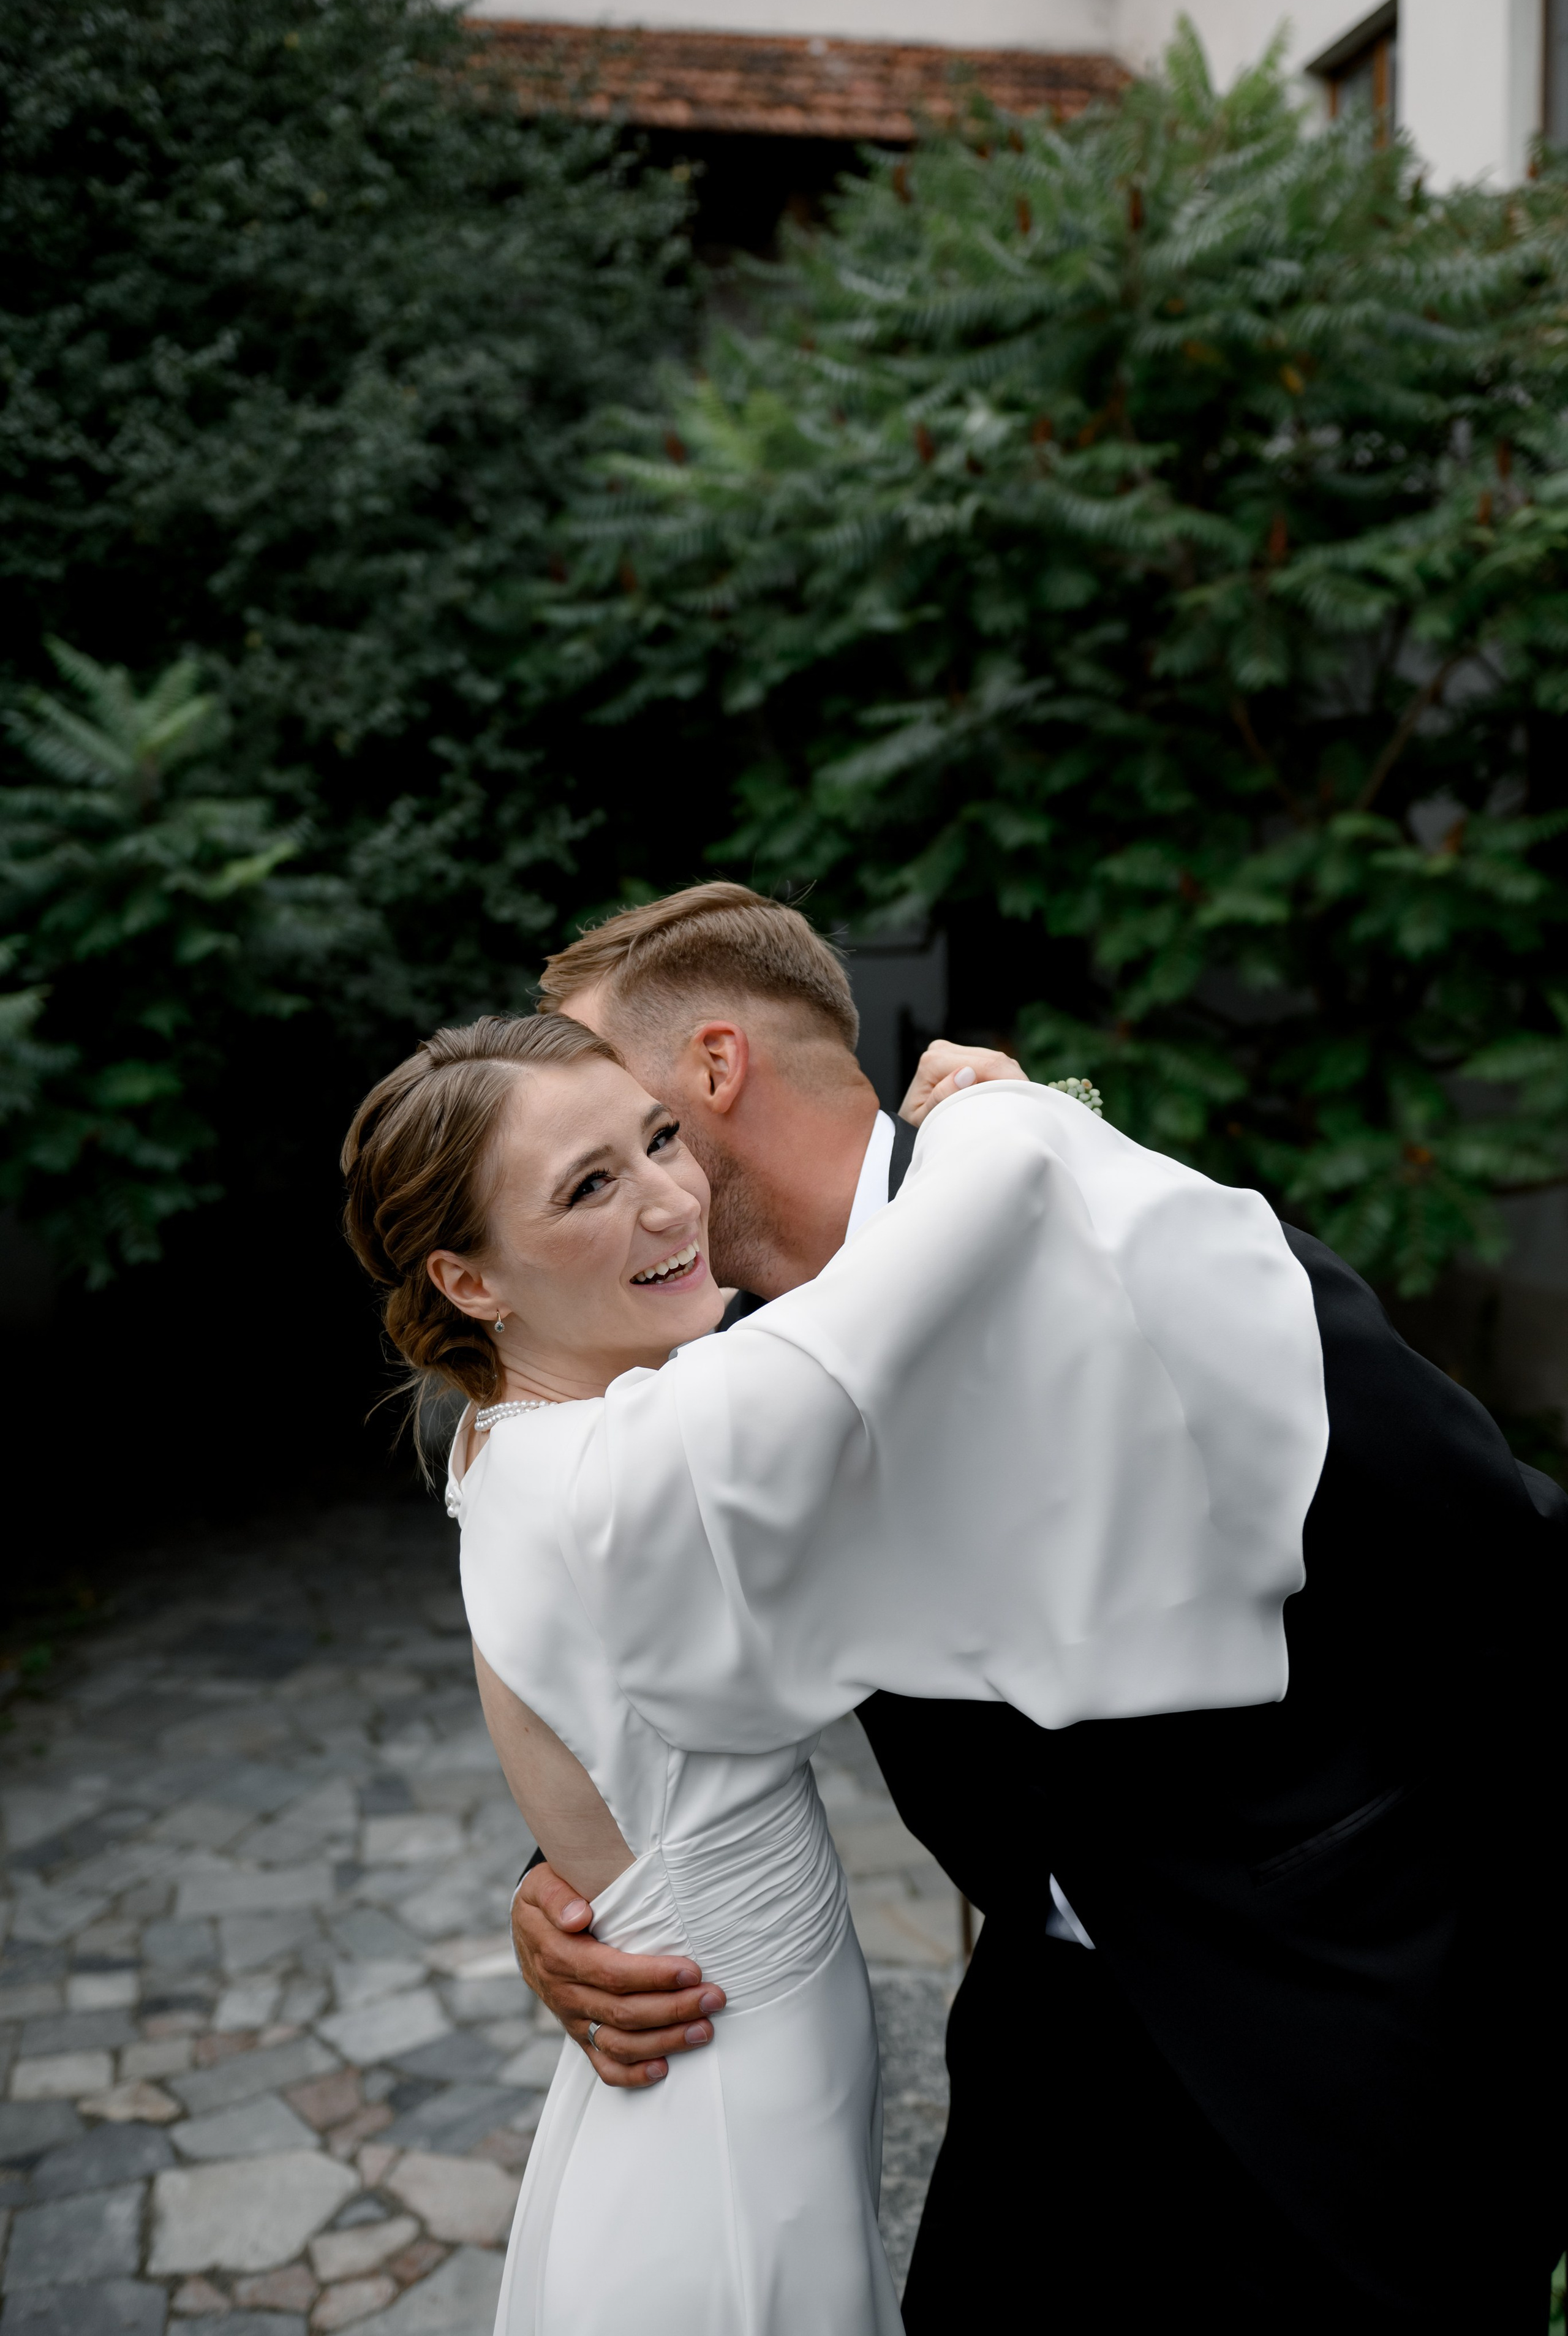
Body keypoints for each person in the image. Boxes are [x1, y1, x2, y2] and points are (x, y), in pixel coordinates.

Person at [511, 882, 1566, 2333]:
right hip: (1044, 2044)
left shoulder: (1136, 1240)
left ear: (712, 1068)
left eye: (614, 1113)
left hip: (1337, 2035)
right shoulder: (721, 1381)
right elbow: (654, 1651)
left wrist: (1504, 2014)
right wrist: (566, 1878)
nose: (591, 1154)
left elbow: (1505, 1574)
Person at [340, 993, 1329, 2335]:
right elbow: (921, 1266)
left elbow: (603, 1726)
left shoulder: (511, 1438)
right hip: (727, 2112)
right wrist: (994, 1106)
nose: (669, 1200)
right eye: (588, 1186)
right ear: (469, 1281)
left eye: (658, 1140)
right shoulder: (647, 1459)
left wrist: (576, 1877)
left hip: (732, 2064)